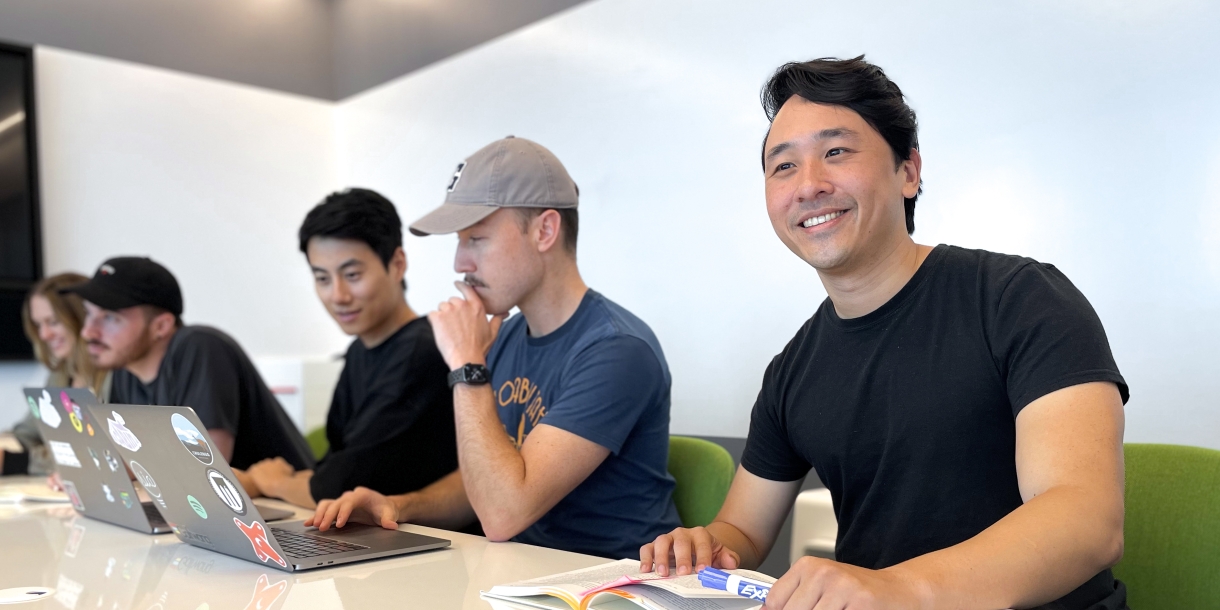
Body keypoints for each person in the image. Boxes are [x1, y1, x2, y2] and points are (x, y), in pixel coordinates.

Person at [640, 56, 1129, 610]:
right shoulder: (793, 369)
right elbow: (744, 533)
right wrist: (703, 547)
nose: (808, 186)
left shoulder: (1018, 298)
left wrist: (899, 588)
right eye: (783, 167)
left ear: (909, 171)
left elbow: (1087, 520)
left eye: (836, 152)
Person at [307, 136, 682, 560]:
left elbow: (502, 514)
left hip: (609, 584)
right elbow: (486, 482)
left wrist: (467, 366)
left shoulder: (616, 349)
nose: (459, 263)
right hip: (521, 578)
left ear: (544, 231)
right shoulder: (507, 335)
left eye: (476, 239)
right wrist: (396, 507)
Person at [244, 188, 458, 509]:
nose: (338, 295)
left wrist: (273, 482)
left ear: (397, 264)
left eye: (352, 275)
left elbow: (338, 486)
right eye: (322, 278)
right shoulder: (360, 350)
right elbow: (333, 465)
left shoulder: (421, 352)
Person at [65, 257, 314, 485]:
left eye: (110, 318)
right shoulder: (124, 366)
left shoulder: (201, 347)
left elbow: (204, 466)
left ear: (161, 325)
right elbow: (124, 458)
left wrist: (102, 468)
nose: (88, 332)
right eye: (89, 314)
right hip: (213, 515)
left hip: (286, 514)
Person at [1, 273, 110, 476]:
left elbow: (101, 457)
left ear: (81, 318)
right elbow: (26, 434)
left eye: (52, 322)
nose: (44, 335)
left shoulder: (116, 377)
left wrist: (18, 461)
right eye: (39, 324)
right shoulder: (60, 374)